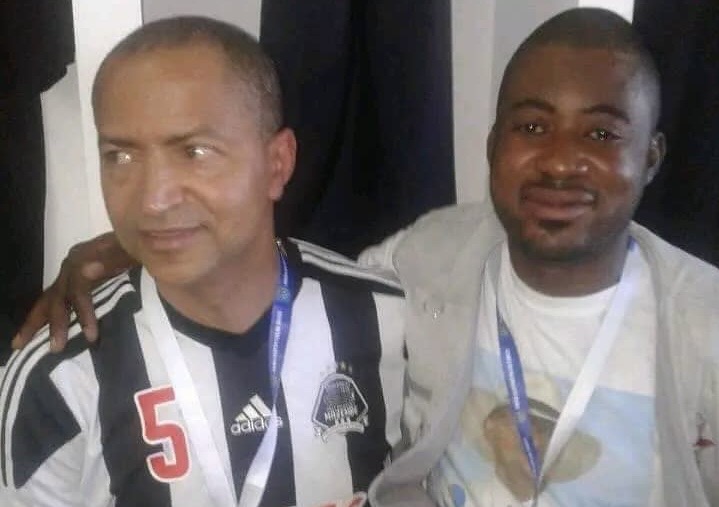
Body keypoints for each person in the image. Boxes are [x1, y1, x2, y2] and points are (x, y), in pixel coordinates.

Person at [9, 7, 719, 507]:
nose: (560, 162)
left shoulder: (702, 326)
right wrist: (133, 247)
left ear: (652, 156)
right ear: (492, 144)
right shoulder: (425, 271)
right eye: (120, 156)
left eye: (601, 134)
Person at [0, 17, 408, 507]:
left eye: (194, 152)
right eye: (121, 156)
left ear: (277, 164)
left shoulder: (395, 323)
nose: (153, 199)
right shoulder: (58, 380)